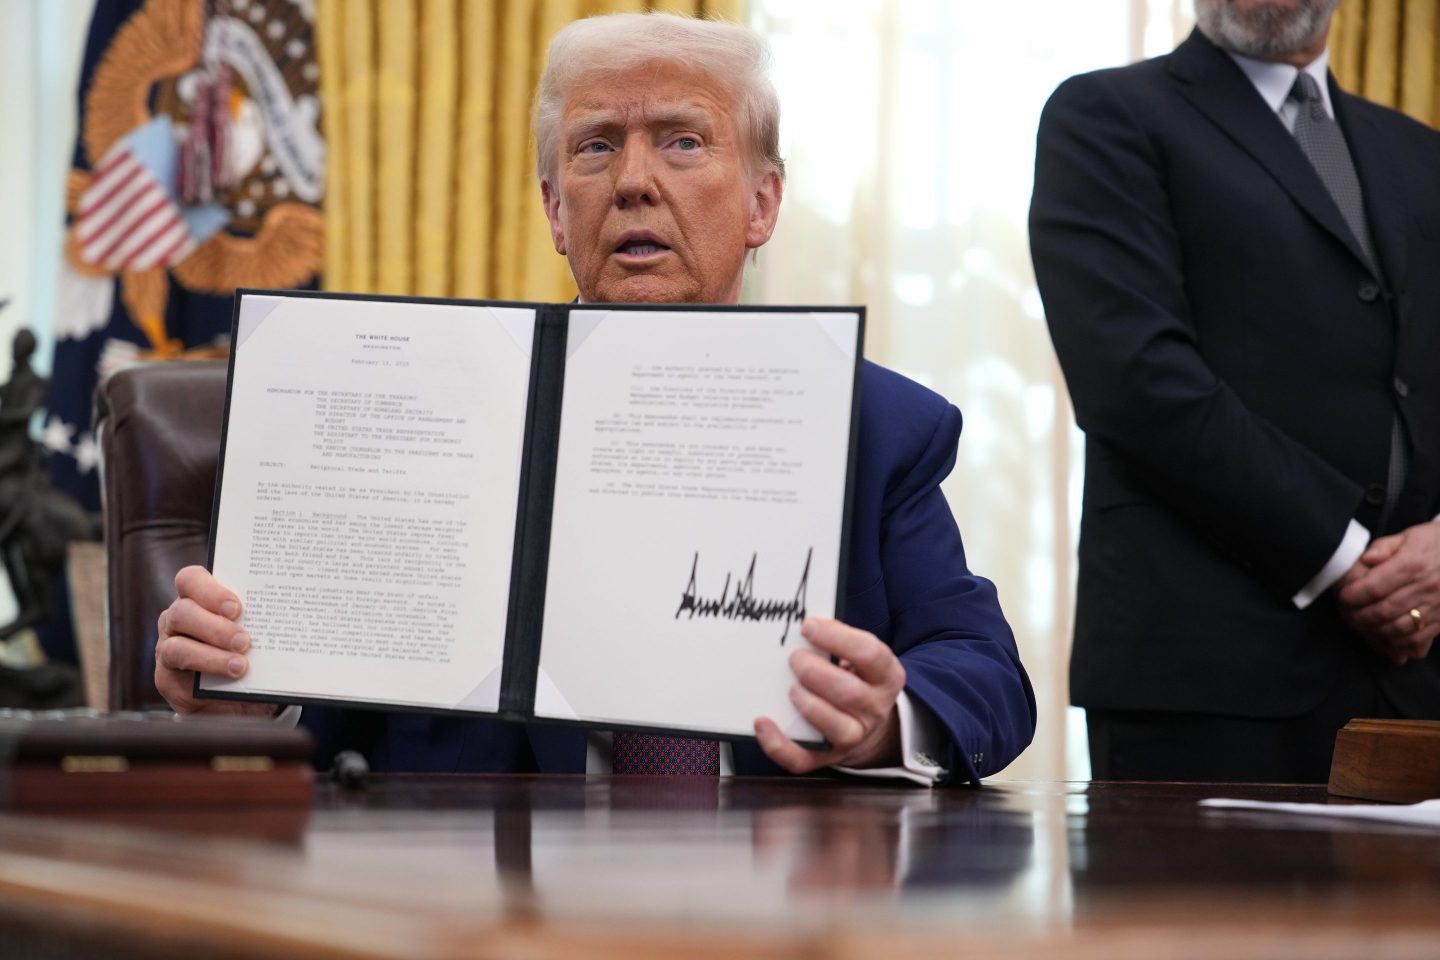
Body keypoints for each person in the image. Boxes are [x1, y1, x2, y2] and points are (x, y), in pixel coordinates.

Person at [155, 13, 1036, 785]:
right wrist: (249, 697)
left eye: (683, 142)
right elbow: (328, 722)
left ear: (763, 203)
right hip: (471, 888)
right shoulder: (409, 410)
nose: (634, 181)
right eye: (597, 145)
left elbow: (985, 674)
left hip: (778, 883)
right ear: (554, 210)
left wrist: (882, 724)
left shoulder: (875, 427)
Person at [1029, 0, 1440, 781]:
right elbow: (1136, 382)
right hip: (1205, 687)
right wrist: (1348, 560)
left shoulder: (1423, 154)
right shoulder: (1105, 115)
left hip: (1415, 684)